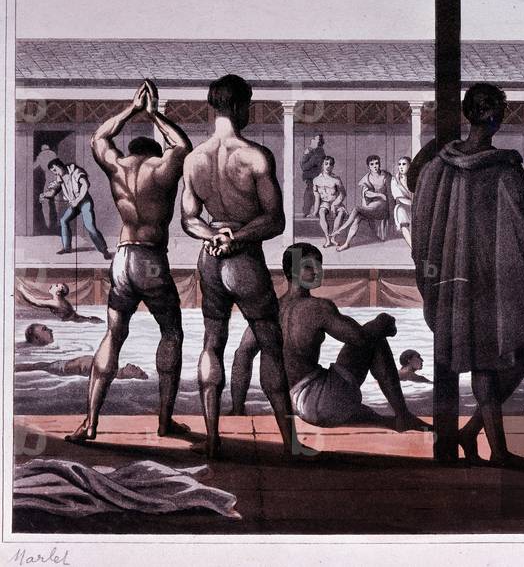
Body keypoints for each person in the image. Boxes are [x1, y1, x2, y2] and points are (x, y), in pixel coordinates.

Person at [412, 82, 524, 466]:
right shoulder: (505, 168)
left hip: (453, 280)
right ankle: (497, 450)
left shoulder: (439, 164)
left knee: (492, 360)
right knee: (504, 358)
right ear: (496, 117)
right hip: (492, 279)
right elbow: (521, 230)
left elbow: (418, 201)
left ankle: (473, 434)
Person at [180, 73, 304, 458]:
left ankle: (213, 440)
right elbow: (275, 220)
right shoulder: (255, 156)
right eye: (247, 105)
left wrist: (213, 235)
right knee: (270, 343)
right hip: (244, 258)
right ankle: (290, 443)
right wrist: (234, 237)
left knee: (212, 342)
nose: (249, 112)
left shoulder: (194, 159)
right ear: (237, 106)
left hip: (210, 260)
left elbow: (188, 219)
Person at [66, 80, 193, 445]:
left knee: (113, 334)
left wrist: (131, 110)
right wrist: (154, 115)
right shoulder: (161, 168)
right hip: (150, 258)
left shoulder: (117, 167)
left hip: (122, 259)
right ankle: (164, 421)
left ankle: (91, 423)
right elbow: (182, 146)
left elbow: (98, 139)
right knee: (172, 333)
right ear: (153, 152)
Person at [278, 243, 430, 434]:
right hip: (316, 401)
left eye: (319, 265)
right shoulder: (318, 308)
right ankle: (403, 415)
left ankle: (388, 420)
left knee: (353, 398)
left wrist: (241, 407)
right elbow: (360, 339)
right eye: (309, 267)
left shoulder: (272, 309)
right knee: (375, 338)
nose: (317, 271)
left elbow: (244, 354)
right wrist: (382, 322)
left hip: (292, 404)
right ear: (291, 271)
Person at [41, 159, 112, 259]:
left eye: (55, 170)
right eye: (53, 172)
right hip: (74, 204)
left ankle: (104, 250)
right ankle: (67, 248)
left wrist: (77, 200)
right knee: (63, 220)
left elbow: (85, 185)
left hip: (84, 202)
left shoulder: (76, 171)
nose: (55, 173)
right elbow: (53, 192)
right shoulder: (59, 178)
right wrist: (44, 195)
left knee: (90, 226)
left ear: (59, 166)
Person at [334, 155, 393, 252]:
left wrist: (383, 198)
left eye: (377, 163)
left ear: (380, 164)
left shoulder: (386, 176)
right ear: (368, 166)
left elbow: (390, 195)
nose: (375, 166)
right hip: (372, 207)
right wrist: (379, 195)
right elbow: (366, 193)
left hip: (383, 208)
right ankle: (346, 243)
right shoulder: (367, 178)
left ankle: (341, 229)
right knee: (357, 218)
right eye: (372, 164)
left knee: (357, 209)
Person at [17, 283, 103, 324]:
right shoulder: (60, 301)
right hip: (77, 319)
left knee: (88, 319)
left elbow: (34, 301)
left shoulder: (56, 303)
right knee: (88, 319)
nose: (53, 285)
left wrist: (22, 290)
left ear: (58, 292)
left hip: (74, 321)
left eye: (57, 286)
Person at [311, 156, 347, 247]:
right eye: (326, 164)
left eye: (330, 164)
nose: (328, 166)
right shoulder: (316, 180)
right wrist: (315, 211)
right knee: (321, 212)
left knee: (341, 212)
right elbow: (317, 197)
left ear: (333, 166)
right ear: (322, 165)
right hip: (325, 203)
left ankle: (333, 237)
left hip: (336, 202)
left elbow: (343, 194)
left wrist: (334, 204)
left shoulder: (336, 179)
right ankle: (327, 239)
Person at [18, 357, 148, 380]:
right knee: (38, 366)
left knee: (38, 366)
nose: (134, 366)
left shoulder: (110, 372)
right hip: (65, 365)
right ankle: (17, 367)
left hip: (64, 367)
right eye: (136, 368)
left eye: (136, 370)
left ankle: (16, 368)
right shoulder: (112, 368)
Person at [300, 134, 326, 218]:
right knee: (311, 194)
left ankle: (311, 212)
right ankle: (309, 212)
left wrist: (306, 154)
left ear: (319, 143)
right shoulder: (313, 152)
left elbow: (305, 166)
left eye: (314, 139)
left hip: (315, 178)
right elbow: (304, 166)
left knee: (311, 195)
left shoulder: (318, 153)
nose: (312, 140)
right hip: (312, 178)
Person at [391, 156, 414, 249]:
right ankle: (413, 248)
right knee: (402, 219)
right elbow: (399, 197)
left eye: (404, 164)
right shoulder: (394, 180)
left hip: (416, 207)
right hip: (403, 206)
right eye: (399, 164)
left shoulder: (415, 178)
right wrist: (412, 204)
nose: (401, 166)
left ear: (409, 165)